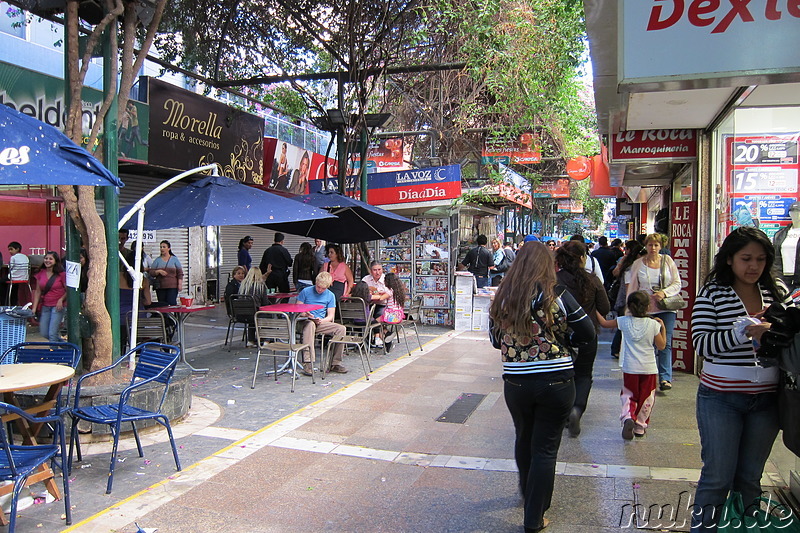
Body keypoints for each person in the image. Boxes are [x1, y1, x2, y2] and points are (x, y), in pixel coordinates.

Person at [488, 242, 595, 533]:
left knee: (524, 438)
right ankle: (535, 517)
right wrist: (564, 340)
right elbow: (588, 333)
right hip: (556, 382)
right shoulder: (557, 295)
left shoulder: (502, 296)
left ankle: (528, 494)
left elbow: (496, 340)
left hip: (516, 383)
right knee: (545, 449)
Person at [690, 227, 788, 532]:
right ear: (730, 259)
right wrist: (740, 332)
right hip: (721, 398)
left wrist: (773, 328)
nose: (753, 266)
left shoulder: (777, 293)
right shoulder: (713, 292)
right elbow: (702, 344)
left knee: (750, 477)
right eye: (746, 258)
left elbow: (789, 338)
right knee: (718, 475)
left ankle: (745, 527)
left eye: (760, 259)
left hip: (767, 400)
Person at [555, 240, 610, 437]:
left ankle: (562, 413)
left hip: (559, 337)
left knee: (562, 375)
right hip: (587, 335)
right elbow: (605, 308)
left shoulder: (554, 280)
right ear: (581, 258)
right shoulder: (593, 280)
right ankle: (577, 409)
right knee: (584, 374)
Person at [596, 291, 666, 439]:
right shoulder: (653, 324)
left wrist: (593, 308)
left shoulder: (623, 321)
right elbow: (661, 346)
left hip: (630, 367)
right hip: (649, 368)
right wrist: (663, 329)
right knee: (647, 397)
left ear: (629, 306)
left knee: (629, 394)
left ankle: (628, 417)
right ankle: (640, 426)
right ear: (648, 307)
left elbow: (604, 323)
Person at [626, 233, 681, 392]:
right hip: (645, 309)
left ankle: (665, 378)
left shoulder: (668, 261)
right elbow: (632, 287)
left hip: (666, 307)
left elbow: (677, 283)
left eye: (656, 245)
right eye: (650, 245)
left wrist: (664, 292)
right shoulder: (638, 264)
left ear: (661, 246)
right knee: (646, 342)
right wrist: (630, 308)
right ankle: (646, 375)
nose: (653, 248)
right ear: (646, 246)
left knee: (665, 342)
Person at [297, 271, 348, 375]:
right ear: (315, 283)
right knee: (310, 324)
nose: (320, 290)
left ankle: (335, 363)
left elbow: (330, 316)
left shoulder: (330, 295)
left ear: (328, 286)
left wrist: (321, 320)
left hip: (320, 322)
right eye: (318, 287)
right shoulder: (305, 292)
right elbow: (297, 310)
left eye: (323, 288)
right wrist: (305, 314)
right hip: (305, 321)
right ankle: (308, 362)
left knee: (341, 329)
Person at [609, 240, 645, 359]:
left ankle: (617, 349)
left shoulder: (628, 264)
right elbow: (628, 287)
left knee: (622, 325)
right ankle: (616, 349)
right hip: (626, 301)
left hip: (626, 300)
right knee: (623, 326)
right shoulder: (631, 268)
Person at [31, 251, 67, 343]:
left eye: (50, 259)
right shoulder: (40, 273)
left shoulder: (61, 274)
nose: (47, 261)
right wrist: (34, 309)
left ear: (56, 261)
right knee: (44, 333)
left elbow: (68, 290)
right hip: (45, 305)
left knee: (52, 333)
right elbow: (38, 291)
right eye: (46, 258)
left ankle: (54, 354)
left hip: (57, 306)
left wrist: (61, 299)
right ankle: (67, 348)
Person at [772, 200, 800, 291]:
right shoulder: (780, 234)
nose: (795, 215)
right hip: (784, 277)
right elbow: (776, 257)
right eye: (792, 212)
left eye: (798, 212)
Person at [239, 267, 270, 346]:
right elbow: (265, 303)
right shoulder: (260, 286)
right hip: (256, 314)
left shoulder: (242, 285)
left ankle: (250, 340)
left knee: (252, 318)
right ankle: (266, 339)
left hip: (242, 314)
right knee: (269, 315)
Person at [148, 240, 183, 306]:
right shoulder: (157, 260)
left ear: (169, 248)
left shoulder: (174, 259)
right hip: (161, 287)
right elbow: (151, 272)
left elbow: (180, 273)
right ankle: (165, 316)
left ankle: (173, 316)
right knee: (162, 305)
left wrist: (180, 284)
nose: (162, 249)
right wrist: (158, 271)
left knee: (172, 303)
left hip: (172, 286)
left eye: (164, 247)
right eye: (161, 247)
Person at [259, 233, 292, 301]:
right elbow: (290, 262)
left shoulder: (267, 251)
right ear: (282, 241)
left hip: (270, 276)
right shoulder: (283, 250)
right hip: (281, 276)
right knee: (285, 294)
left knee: (271, 295)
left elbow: (262, 266)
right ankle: (283, 308)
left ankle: (271, 308)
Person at [7, 241, 29, 306]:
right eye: (9, 250)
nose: (10, 251)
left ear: (17, 249)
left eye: (11, 249)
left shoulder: (13, 257)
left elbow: (10, 267)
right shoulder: (25, 256)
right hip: (24, 278)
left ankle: (7, 303)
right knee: (15, 286)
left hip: (14, 278)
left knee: (2, 282)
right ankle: (14, 303)